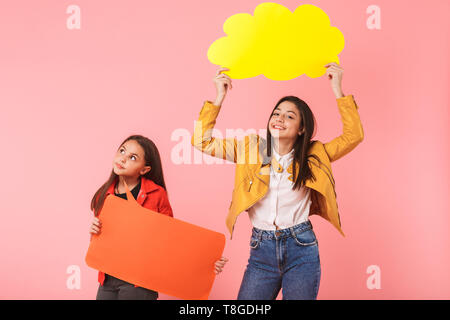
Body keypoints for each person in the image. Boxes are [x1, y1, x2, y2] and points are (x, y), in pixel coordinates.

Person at [191, 63, 364, 299]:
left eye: (289, 116)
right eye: (276, 113)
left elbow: (354, 136)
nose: (280, 118)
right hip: (261, 250)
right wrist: (218, 97)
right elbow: (202, 141)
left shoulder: (314, 154)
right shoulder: (252, 148)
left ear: (302, 128)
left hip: (301, 248)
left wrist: (337, 89)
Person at [89, 134, 228, 300]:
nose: (123, 158)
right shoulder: (103, 195)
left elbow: (171, 241)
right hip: (107, 278)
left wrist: (207, 262)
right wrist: (95, 232)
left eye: (133, 157)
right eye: (122, 151)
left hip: (139, 283)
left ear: (144, 169)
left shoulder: (156, 194)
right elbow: (102, 243)